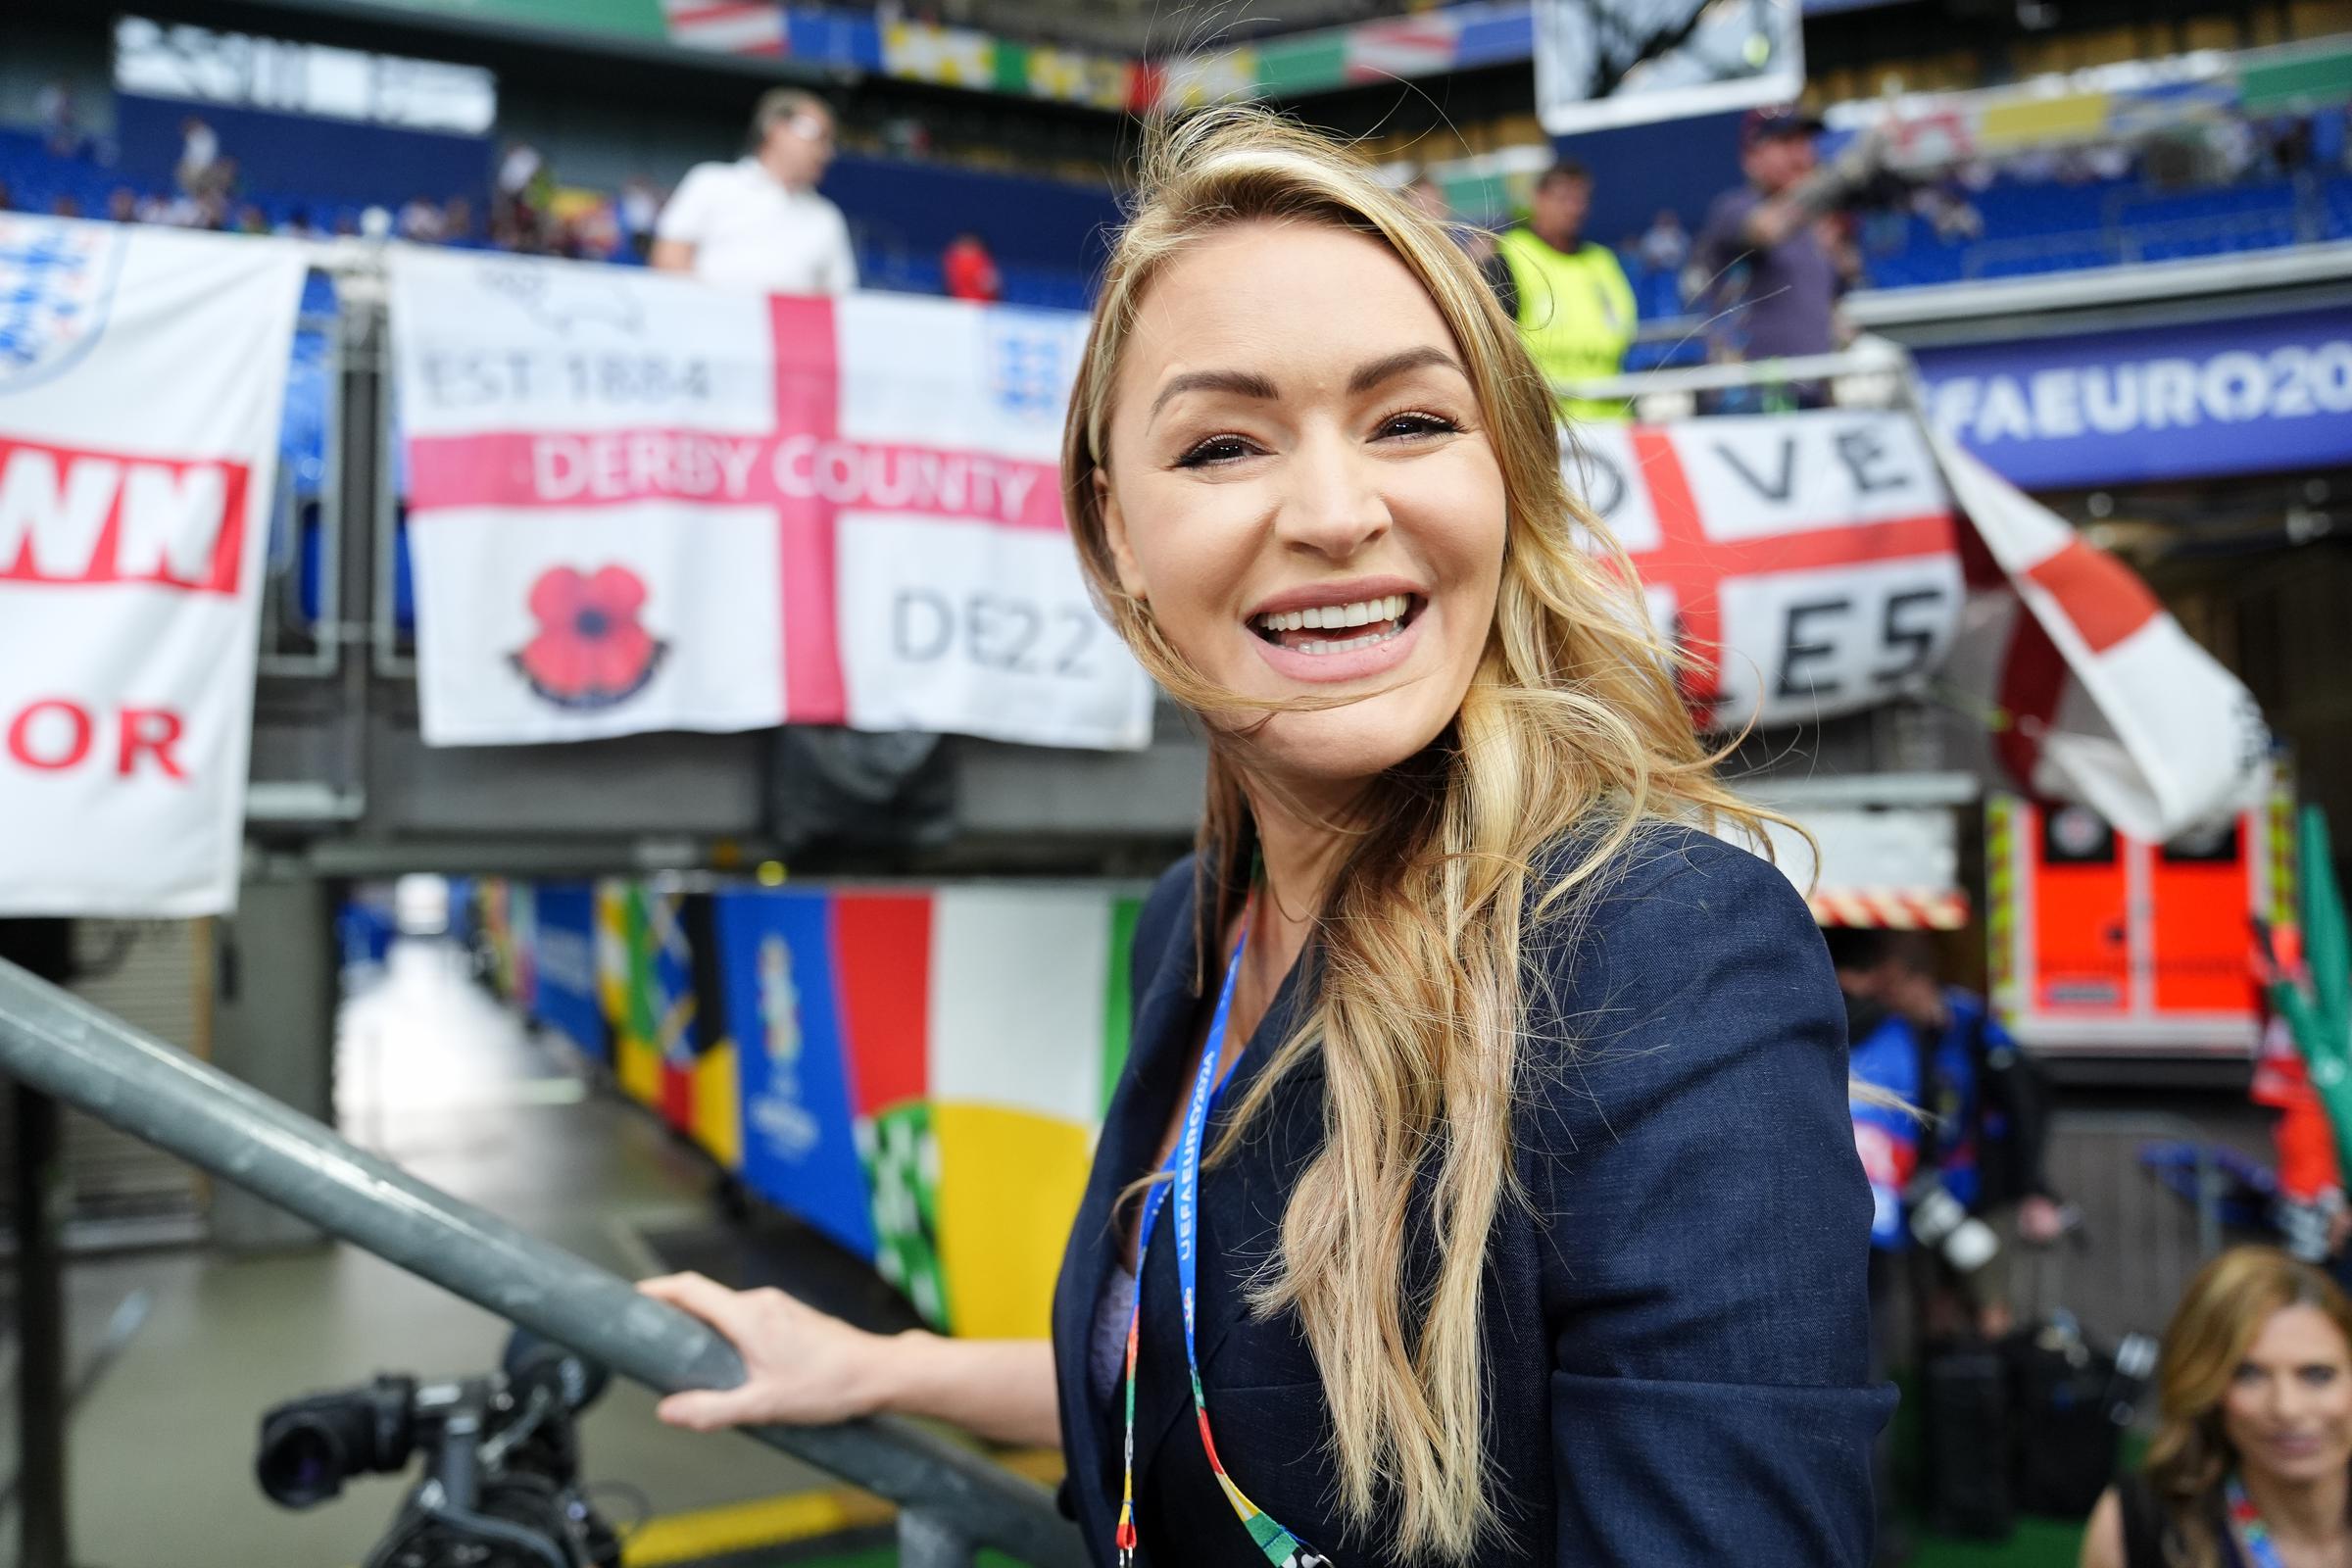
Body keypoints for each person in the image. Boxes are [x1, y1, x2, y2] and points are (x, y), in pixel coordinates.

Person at [636, 107, 1887, 1567]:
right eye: (1225, 444)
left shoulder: (1663, 947)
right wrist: (881, 1368)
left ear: (1507, 480)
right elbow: (1191, 1364)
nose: (1337, 512)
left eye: (1411, 421)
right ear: (1115, 538)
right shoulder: (1200, 917)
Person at [1833, 927, 2063, 1340]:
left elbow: (2025, 1103)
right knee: (1936, 1309)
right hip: (1933, 1193)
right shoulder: (1905, 1035)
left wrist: (2032, 1187)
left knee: (1988, 1302)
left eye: (1894, 986)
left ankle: (1994, 1393)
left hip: (1981, 1191)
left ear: (1916, 980)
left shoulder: (1971, 1025)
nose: (1887, 998)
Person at [2082, 1247, 2352, 1568]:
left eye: (2317, 1374)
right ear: (2208, 1389)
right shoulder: (2139, 1526)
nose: (2287, 1408)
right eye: (2248, 1374)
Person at [1688, 107, 1883, 408]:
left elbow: (1829, 305)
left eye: (1804, 143)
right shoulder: (1734, 209)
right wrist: (1847, 172)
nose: (1800, 155)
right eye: (1785, 143)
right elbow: (1769, 227)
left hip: (1813, 396)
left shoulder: (1815, 229)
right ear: (1751, 157)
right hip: (1747, 398)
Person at [652, 88, 857, 296]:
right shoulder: (711, 183)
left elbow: (837, 297)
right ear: (776, 129)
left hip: (790, 328)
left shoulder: (826, 216)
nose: (827, 153)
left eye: (830, 142)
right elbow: (670, 260)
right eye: (819, 137)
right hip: (708, 324)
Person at [1483, 158, 1638, 422]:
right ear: (1538, 198)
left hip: (1613, 421)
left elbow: (1624, 329)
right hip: (1548, 423)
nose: (1574, 209)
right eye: (1563, 198)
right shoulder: (1511, 257)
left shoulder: (1602, 262)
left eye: (1581, 199)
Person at [942, 231, 1002, 302]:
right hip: (959, 302)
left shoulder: (982, 262)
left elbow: (990, 287)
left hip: (981, 305)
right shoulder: (953, 259)